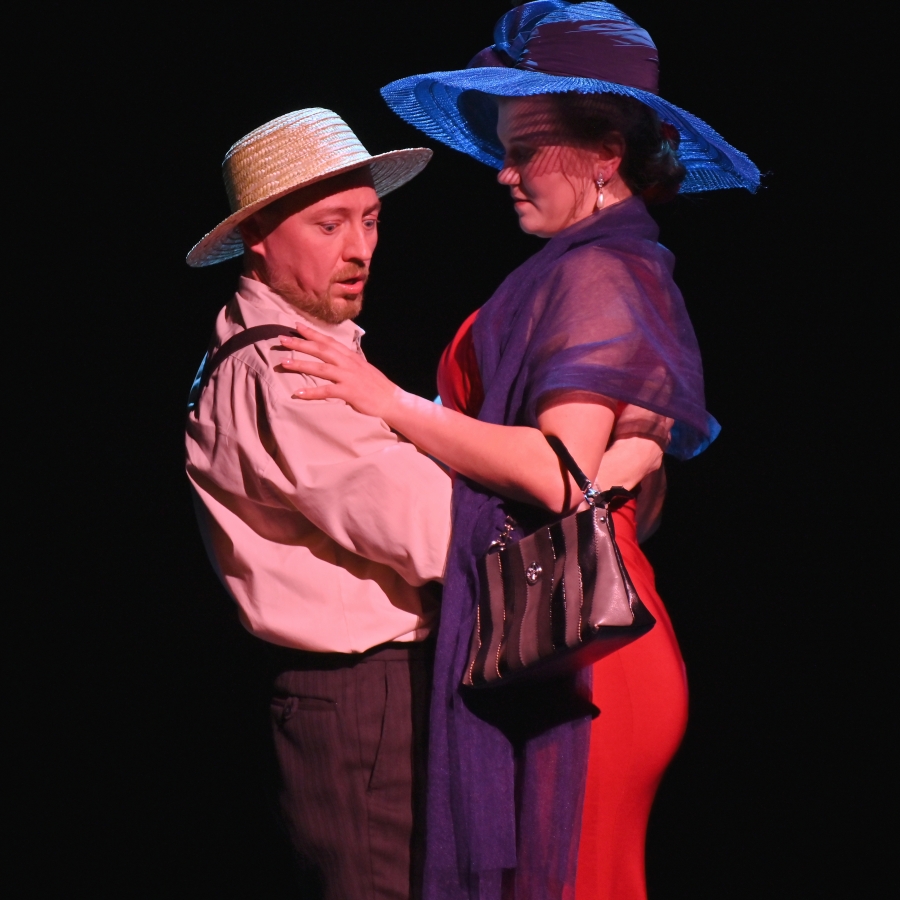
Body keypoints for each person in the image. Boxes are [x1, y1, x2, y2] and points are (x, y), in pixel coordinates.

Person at [278, 4, 760, 899]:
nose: (502, 172)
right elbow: (616, 483)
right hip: (573, 635)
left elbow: (557, 474)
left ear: (605, 153)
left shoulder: (600, 271)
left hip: (584, 655)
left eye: (527, 148)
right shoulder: (599, 265)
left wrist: (389, 403)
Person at [183, 105, 665, 899]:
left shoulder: (316, 353)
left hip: (393, 688)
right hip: (363, 701)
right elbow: (443, 534)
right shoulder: (287, 372)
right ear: (259, 236)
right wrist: (606, 470)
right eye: (329, 225)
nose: (360, 248)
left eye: (370, 219)